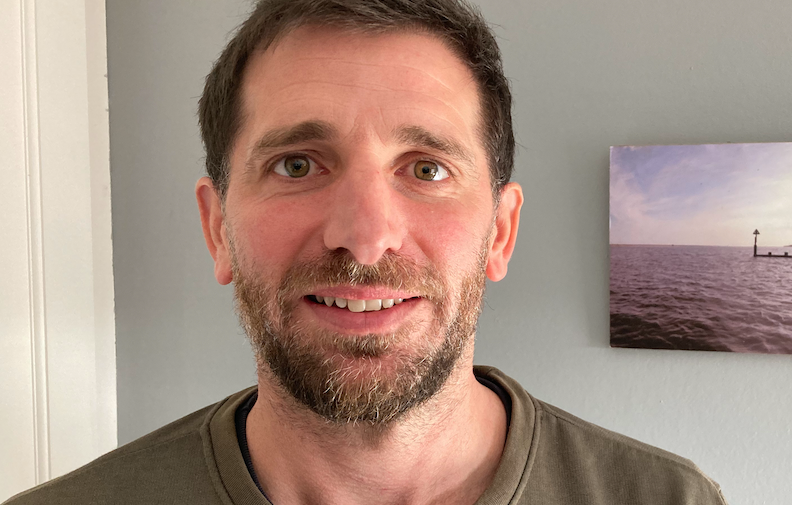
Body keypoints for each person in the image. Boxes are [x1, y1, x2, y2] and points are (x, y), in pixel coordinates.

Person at [5, 1, 727, 504]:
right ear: (218, 226)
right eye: (297, 164)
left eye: (425, 168)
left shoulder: (669, 499)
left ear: (500, 232)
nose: (365, 234)